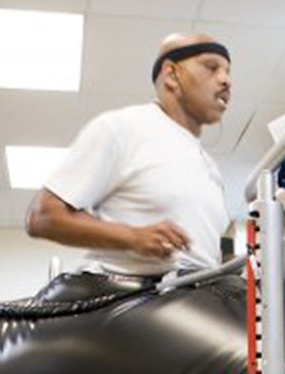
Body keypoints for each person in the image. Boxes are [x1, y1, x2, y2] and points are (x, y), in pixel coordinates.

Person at [25, 32, 233, 277]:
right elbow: (43, 216)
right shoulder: (122, 128)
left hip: (194, 291)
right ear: (172, 75)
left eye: (228, 72)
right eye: (212, 67)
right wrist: (133, 237)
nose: (226, 80)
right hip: (131, 294)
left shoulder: (209, 168)